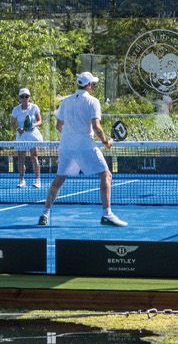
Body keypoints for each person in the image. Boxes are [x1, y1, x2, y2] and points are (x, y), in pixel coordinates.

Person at [37, 71, 127, 228]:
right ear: (89, 85)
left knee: (58, 181)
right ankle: (107, 214)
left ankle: (44, 214)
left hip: (66, 147)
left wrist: (72, 135)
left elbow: (59, 126)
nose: (94, 87)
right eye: (93, 84)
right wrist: (105, 142)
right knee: (106, 175)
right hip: (85, 146)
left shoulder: (65, 102)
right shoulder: (93, 101)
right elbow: (96, 126)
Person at [7, 86, 46, 188]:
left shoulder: (34, 107)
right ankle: (21, 180)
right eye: (22, 96)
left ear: (29, 97)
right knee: (21, 158)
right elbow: (12, 123)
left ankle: (37, 180)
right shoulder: (16, 110)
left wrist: (34, 125)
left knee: (34, 157)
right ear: (19, 98)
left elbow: (40, 121)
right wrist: (18, 129)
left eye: (26, 96)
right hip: (21, 136)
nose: (24, 98)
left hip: (32, 135)